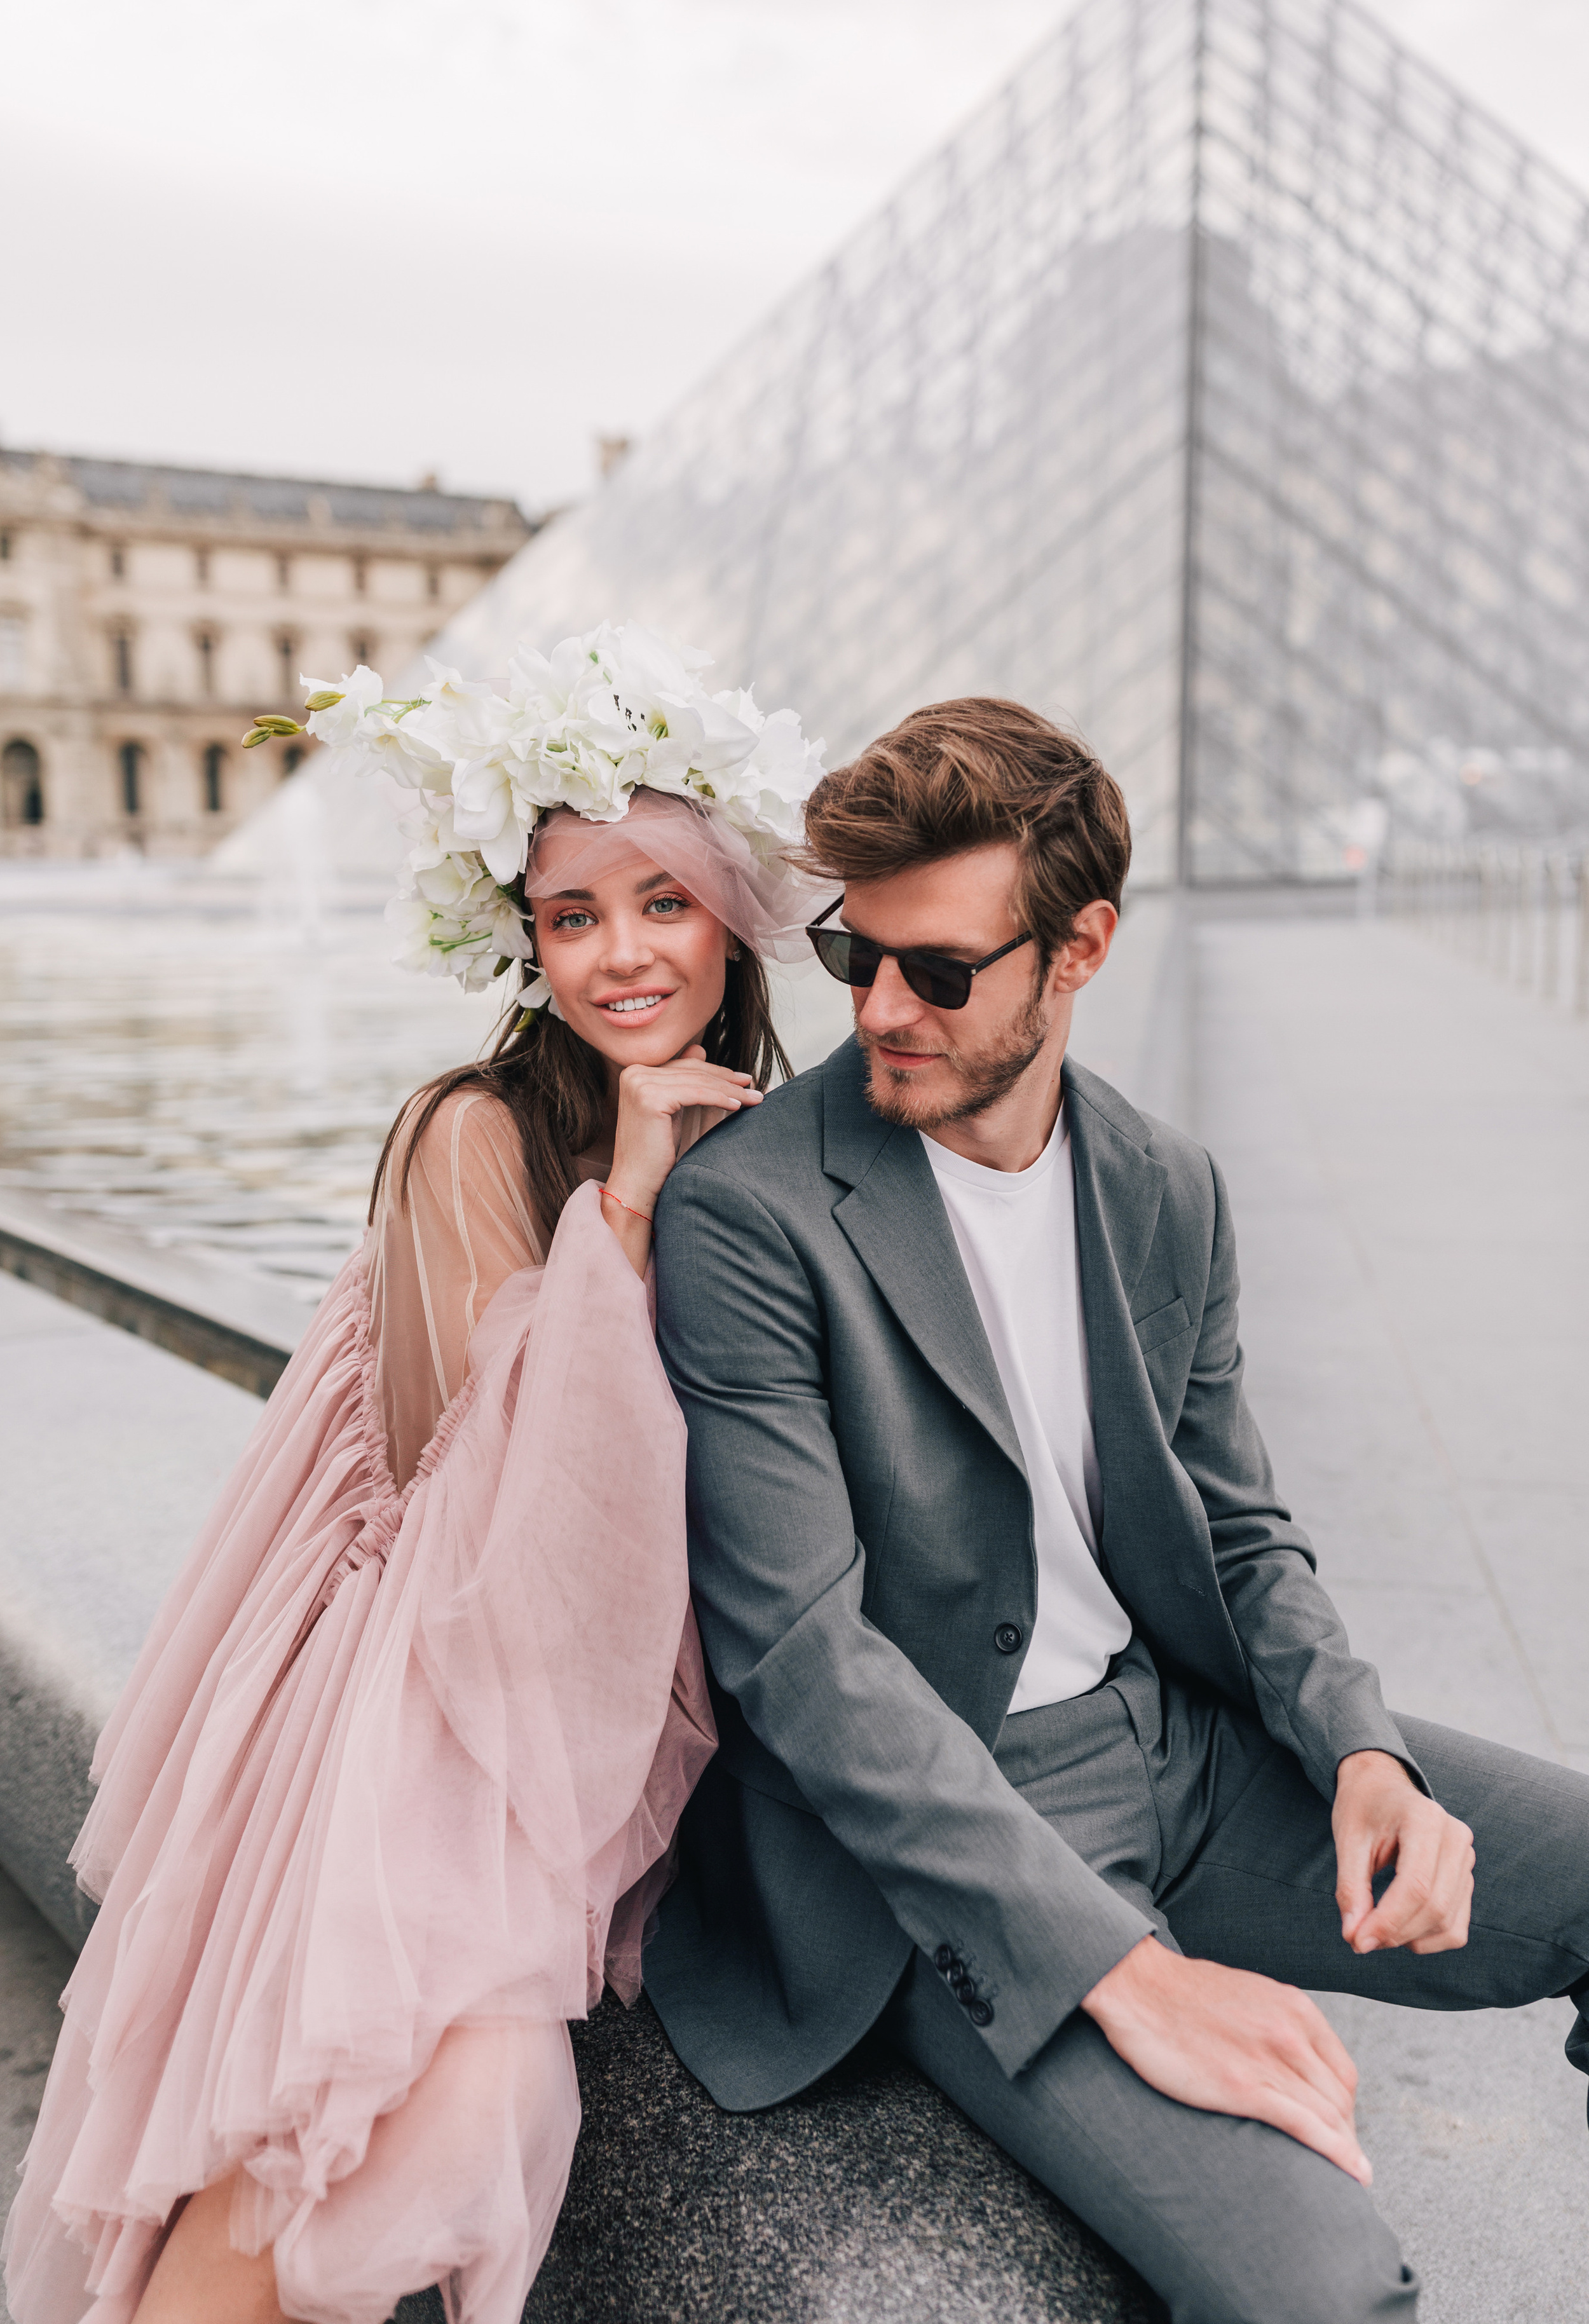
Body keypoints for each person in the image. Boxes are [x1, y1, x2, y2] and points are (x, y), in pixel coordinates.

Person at [644, 696, 1589, 2324]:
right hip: (942, 1821)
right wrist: (1118, 1969)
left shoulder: (1162, 1186)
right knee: (1318, 2292)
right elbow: (805, 1666)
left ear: (1075, 951)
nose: (878, 1007)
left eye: (937, 970)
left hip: (1186, 1753)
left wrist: (1364, 1749)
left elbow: (1236, 1528)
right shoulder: (748, 1215)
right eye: (849, 955)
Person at [3, 627, 826, 2324]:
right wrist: (620, 1227)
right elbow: (483, 1521)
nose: (619, 957)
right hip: (426, 1720)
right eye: (571, 916)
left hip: (611, 1697)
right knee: (383, 2112)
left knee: (427, 2122)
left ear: (732, 910)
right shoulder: (478, 1130)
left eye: (660, 903)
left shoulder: (778, 1139)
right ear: (523, 938)